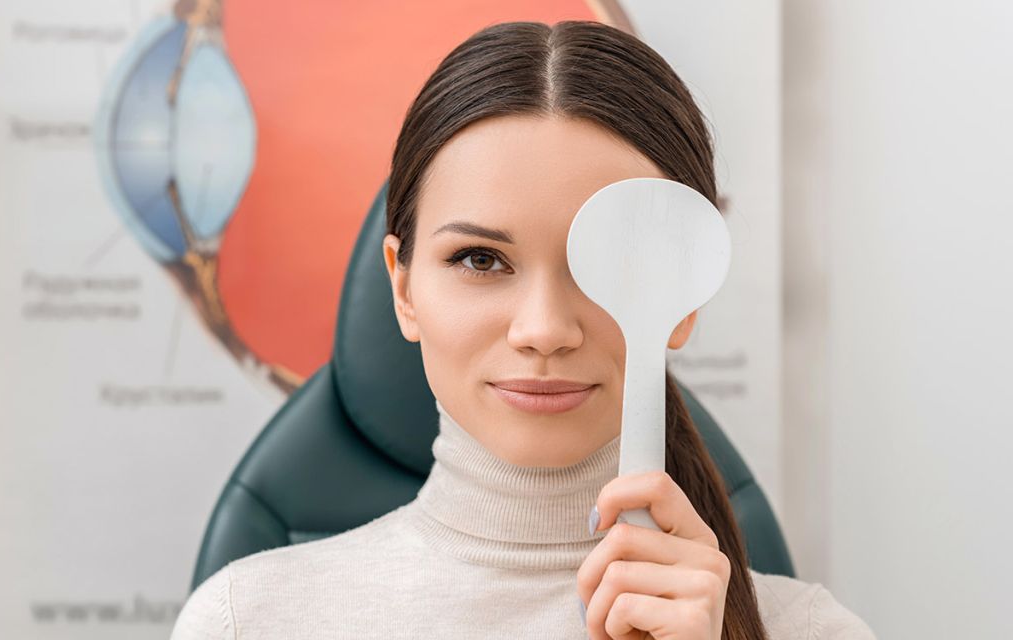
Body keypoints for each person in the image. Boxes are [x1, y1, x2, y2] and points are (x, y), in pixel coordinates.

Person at [171, 20, 876, 640]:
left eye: (608, 262)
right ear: (404, 287)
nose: (544, 329)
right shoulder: (247, 622)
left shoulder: (811, 632)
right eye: (481, 259)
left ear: (684, 299)